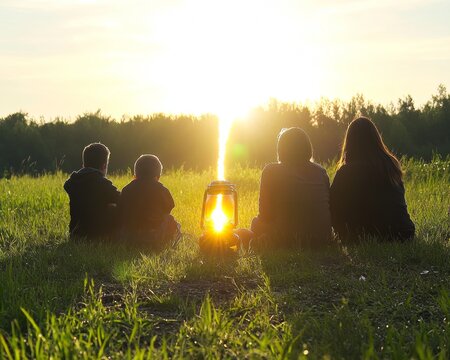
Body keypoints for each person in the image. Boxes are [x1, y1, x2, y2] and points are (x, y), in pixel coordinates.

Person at [330, 117, 415, 242]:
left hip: (371, 235)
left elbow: (332, 207)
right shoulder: (391, 165)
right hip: (404, 232)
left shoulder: (347, 172)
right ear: (376, 139)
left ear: (350, 142)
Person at [251, 127, 332, 248]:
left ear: (281, 149)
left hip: (286, 237)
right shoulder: (321, 172)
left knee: (256, 223)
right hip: (322, 237)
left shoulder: (271, 171)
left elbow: (265, 215)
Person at [118, 154, 181, 249]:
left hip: (129, 237)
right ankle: (168, 243)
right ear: (158, 177)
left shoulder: (127, 189)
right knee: (170, 219)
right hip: (154, 237)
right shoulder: (162, 190)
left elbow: (121, 209)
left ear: (135, 176)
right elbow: (169, 208)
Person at [64, 142, 120, 240]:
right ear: (104, 166)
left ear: (83, 165)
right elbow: (121, 199)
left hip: (76, 234)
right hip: (99, 235)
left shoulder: (73, 182)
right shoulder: (103, 184)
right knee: (115, 207)